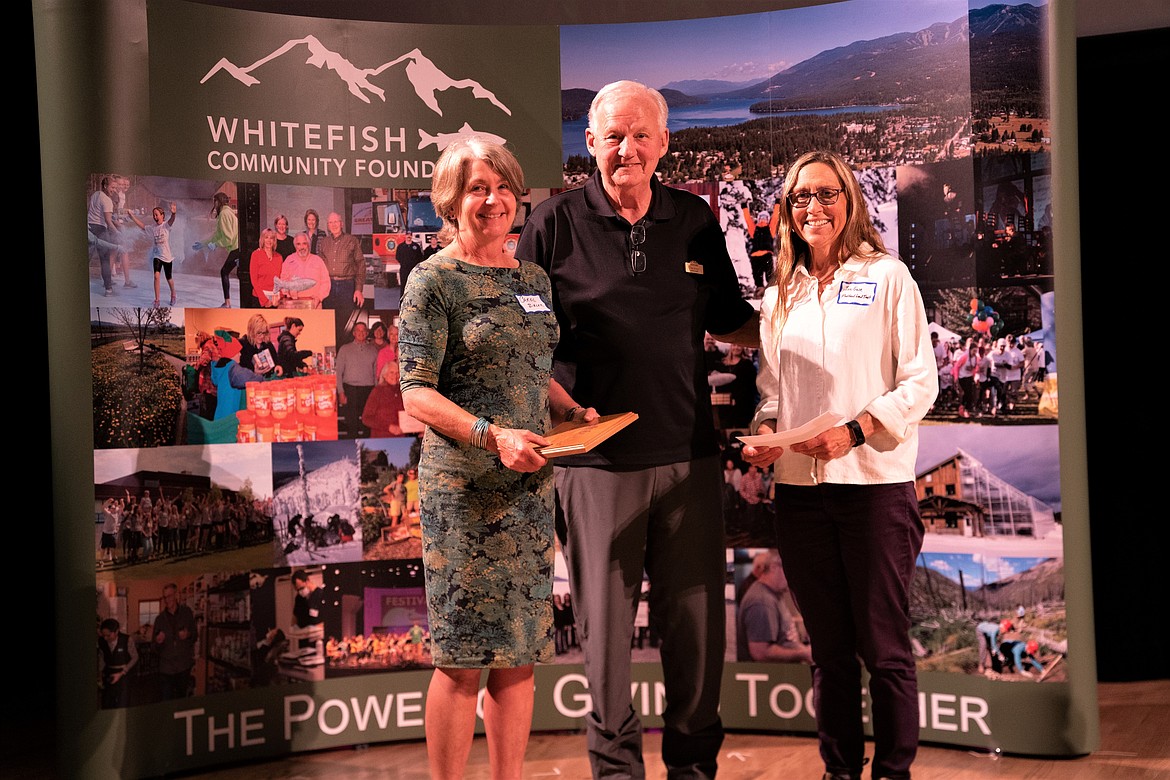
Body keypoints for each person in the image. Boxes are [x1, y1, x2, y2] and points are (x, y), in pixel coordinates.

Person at [516, 80, 758, 779]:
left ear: (663, 144)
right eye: (613, 135)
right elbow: (522, 342)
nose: (628, 148)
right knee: (605, 647)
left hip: (689, 460)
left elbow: (728, 319)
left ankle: (692, 770)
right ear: (589, 144)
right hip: (593, 468)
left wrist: (805, 328)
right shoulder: (552, 224)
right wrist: (558, 406)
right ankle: (615, 772)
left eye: (641, 134)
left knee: (697, 635)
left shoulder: (693, 219)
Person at [741, 149, 937, 780]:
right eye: (800, 198)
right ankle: (840, 771)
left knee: (884, 650)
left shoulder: (888, 278)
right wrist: (767, 430)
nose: (813, 207)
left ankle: (894, 772)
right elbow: (772, 389)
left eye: (826, 195)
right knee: (828, 654)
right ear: (788, 212)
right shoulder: (780, 296)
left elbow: (920, 382)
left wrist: (854, 431)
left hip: (874, 488)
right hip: (799, 494)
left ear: (850, 202)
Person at [397, 135, 587, 780]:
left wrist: (568, 409)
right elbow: (416, 391)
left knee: (519, 654)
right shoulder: (433, 281)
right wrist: (490, 435)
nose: (494, 199)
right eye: (479, 187)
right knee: (459, 658)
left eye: (503, 186)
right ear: (452, 200)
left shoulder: (531, 277)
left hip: (529, 486)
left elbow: (531, 369)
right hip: (465, 492)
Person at [736, 549, 812, 664]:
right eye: (790, 569)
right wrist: (804, 653)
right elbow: (760, 652)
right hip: (772, 678)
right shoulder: (761, 601)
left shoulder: (773, 594)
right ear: (773, 567)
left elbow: (786, 639)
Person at [194, 191, 241, 309]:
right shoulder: (226, 213)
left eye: (214, 201)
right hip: (237, 248)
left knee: (224, 271)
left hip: (237, 248)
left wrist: (215, 245)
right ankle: (228, 302)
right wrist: (204, 244)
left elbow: (228, 238)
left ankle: (228, 303)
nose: (213, 205)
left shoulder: (224, 214)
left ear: (218, 201)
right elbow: (218, 235)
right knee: (233, 272)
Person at [153, 583, 197, 700]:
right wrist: (158, 641)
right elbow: (154, 647)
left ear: (176, 595)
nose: (167, 600)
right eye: (165, 597)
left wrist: (188, 634)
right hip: (166, 668)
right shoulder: (159, 619)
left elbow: (195, 635)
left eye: (170, 596)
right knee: (166, 700)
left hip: (183, 666)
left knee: (181, 699)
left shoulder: (186, 613)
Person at [335, 320, 378, 439]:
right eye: (358, 330)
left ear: (367, 333)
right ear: (354, 333)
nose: (361, 333)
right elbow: (338, 372)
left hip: (369, 390)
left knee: (368, 421)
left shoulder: (373, 350)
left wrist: (376, 390)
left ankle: (367, 443)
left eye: (363, 330)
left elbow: (375, 373)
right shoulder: (345, 349)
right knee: (351, 422)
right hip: (350, 389)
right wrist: (340, 392)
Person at [318, 211, 367, 311]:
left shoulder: (352, 240)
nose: (334, 225)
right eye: (331, 222)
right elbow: (319, 267)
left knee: (346, 318)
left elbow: (360, 264)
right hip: (328, 285)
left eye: (336, 221)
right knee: (329, 319)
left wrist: (358, 289)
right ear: (328, 226)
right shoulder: (324, 242)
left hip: (347, 286)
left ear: (341, 224)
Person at [279, 232, 331, 307]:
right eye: (298, 244)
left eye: (304, 243)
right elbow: (283, 281)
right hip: (294, 304)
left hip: (315, 304)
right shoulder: (289, 260)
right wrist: (289, 291)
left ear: (308, 245)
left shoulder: (318, 260)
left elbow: (326, 282)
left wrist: (319, 297)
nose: (302, 247)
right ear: (295, 246)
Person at [88, 176, 119, 296]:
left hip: (90, 228)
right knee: (105, 260)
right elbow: (108, 221)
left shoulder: (96, 194)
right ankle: (108, 289)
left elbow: (96, 213)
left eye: (115, 188)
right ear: (105, 186)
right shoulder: (107, 200)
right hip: (100, 230)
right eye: (112, 187)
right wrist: (118, 232)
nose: (114, 190)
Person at [98, 617, 138, 709]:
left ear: (116, 631)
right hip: (109, 674)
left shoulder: (127, 639)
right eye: (103, 635)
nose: (106, 638)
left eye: (108, 635)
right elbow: (102, 658)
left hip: (124, 674)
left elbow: (135, 657)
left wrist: (122, 673)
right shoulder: (102, 641)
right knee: (107, 704)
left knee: (122, 703)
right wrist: (100, 674)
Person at [743, 202, 780, 293]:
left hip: (767, 255)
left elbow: (775, 217)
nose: (763, 219)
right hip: (755, 257)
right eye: (761, 217)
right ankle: (759, 291)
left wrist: (777, 203)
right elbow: (748, 220)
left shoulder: (770, 229)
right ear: (758, 219)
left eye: (765, 217)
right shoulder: (754, 229)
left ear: (768, 219)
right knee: (757, 276)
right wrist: (744, 206)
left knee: (769, 275)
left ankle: (771, 291)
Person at [250, 227, 285, 309]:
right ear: (262, 239)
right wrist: (264, 300)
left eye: (271, 238)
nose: (269, 241)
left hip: (275, 299)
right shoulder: (256, 255)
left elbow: (281, 280)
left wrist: (279, 298)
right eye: (266, 237)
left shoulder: (279, 257)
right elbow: (254, 280)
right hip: (259, 298)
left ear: (274, 241)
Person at [239, 313, 282, 378]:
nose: (262, 336)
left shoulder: (268, 344)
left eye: (264, 333)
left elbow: (276, 360)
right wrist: (254, 371)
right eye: (259, 333)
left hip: (267, 380)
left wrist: (278, 366)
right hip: (250, 382)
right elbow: (239, 370)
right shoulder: (242, 344)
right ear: (251, 331)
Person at [395, 231, 424, 308]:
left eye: (410, 235)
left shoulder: (416, 246)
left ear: (411, 236)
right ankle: (402, 303)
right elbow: (397, 257)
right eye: (407, 235)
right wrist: (404, 263)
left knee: (414, 285)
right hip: (404, 269)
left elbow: (420, 257)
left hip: (413, 270)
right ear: (405, 236)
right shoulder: (401, 246)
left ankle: (414, 303)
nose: (409, 236)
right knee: (404, 286)